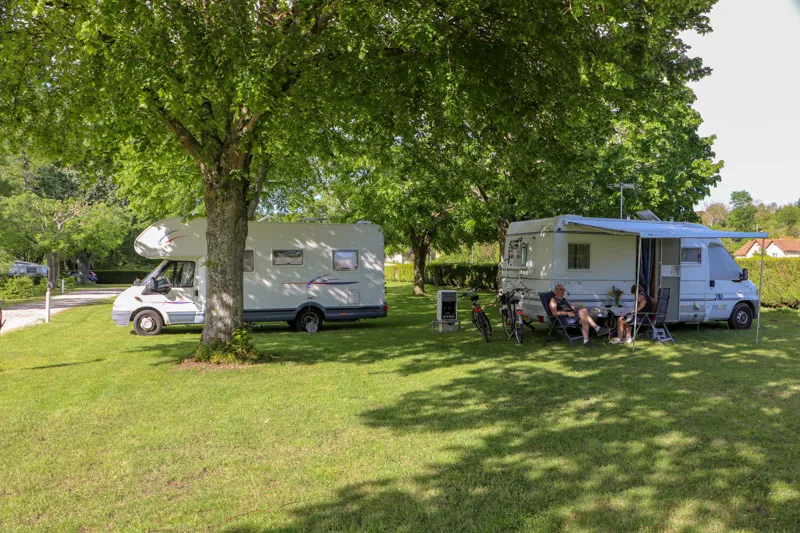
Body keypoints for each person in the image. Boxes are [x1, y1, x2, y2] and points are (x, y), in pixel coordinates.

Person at [549, 284, 606, 348]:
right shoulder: (553, 300)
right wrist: (567, 313)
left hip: (573, 316)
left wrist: (577, 308)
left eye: (564, 289)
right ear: (556, 290)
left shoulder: (564, 299)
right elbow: (554, 313)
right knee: (584, 311)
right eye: (561, 289)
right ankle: (597, 328)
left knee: (584, 318)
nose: (563, 291)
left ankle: (586, 342)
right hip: (565, 318)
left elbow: (573, 307)